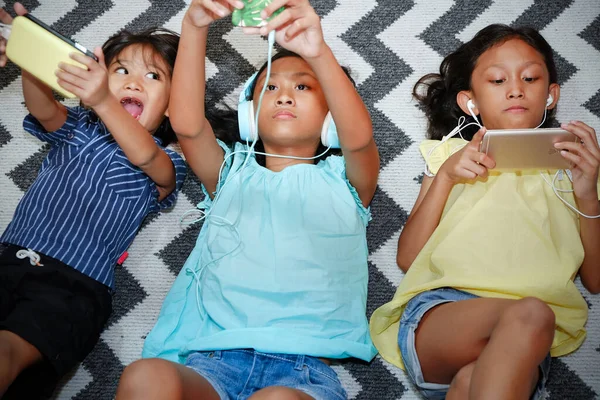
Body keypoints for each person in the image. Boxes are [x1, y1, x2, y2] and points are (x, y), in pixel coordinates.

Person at [115, 0, 380, 399]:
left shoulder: (347, 182)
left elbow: (358, 137)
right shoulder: (230, 173)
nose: (284, 95)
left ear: (331, 120)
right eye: (270, 87)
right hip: (210, 362)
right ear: (247, 116)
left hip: (300, 372)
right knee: (144, 378)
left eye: (303, 86)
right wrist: (195, 24)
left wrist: (318, 53)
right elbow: (186, 125)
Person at [370, 24, 600, 400]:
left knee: (471, 384)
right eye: (497, 80)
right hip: (445, 314)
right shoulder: (448, 157)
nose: (515, 88)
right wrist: (444, 177)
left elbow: (595, 279)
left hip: (526, 345)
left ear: (551, 95)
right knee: (532, 313)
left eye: (530, 77)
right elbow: (407, 257)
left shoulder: (576, 169)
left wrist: (588, 194)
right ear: (470, 103)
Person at [0, 3, 186, 397]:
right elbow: (42, 107)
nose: (134, 83)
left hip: (73, 285)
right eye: (121, 71)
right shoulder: (78, 127)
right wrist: (28, 54)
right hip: (8, 256)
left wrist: (104, 100)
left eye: (153, 76)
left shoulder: (168, 158)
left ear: (171, 106)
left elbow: (148, 161)